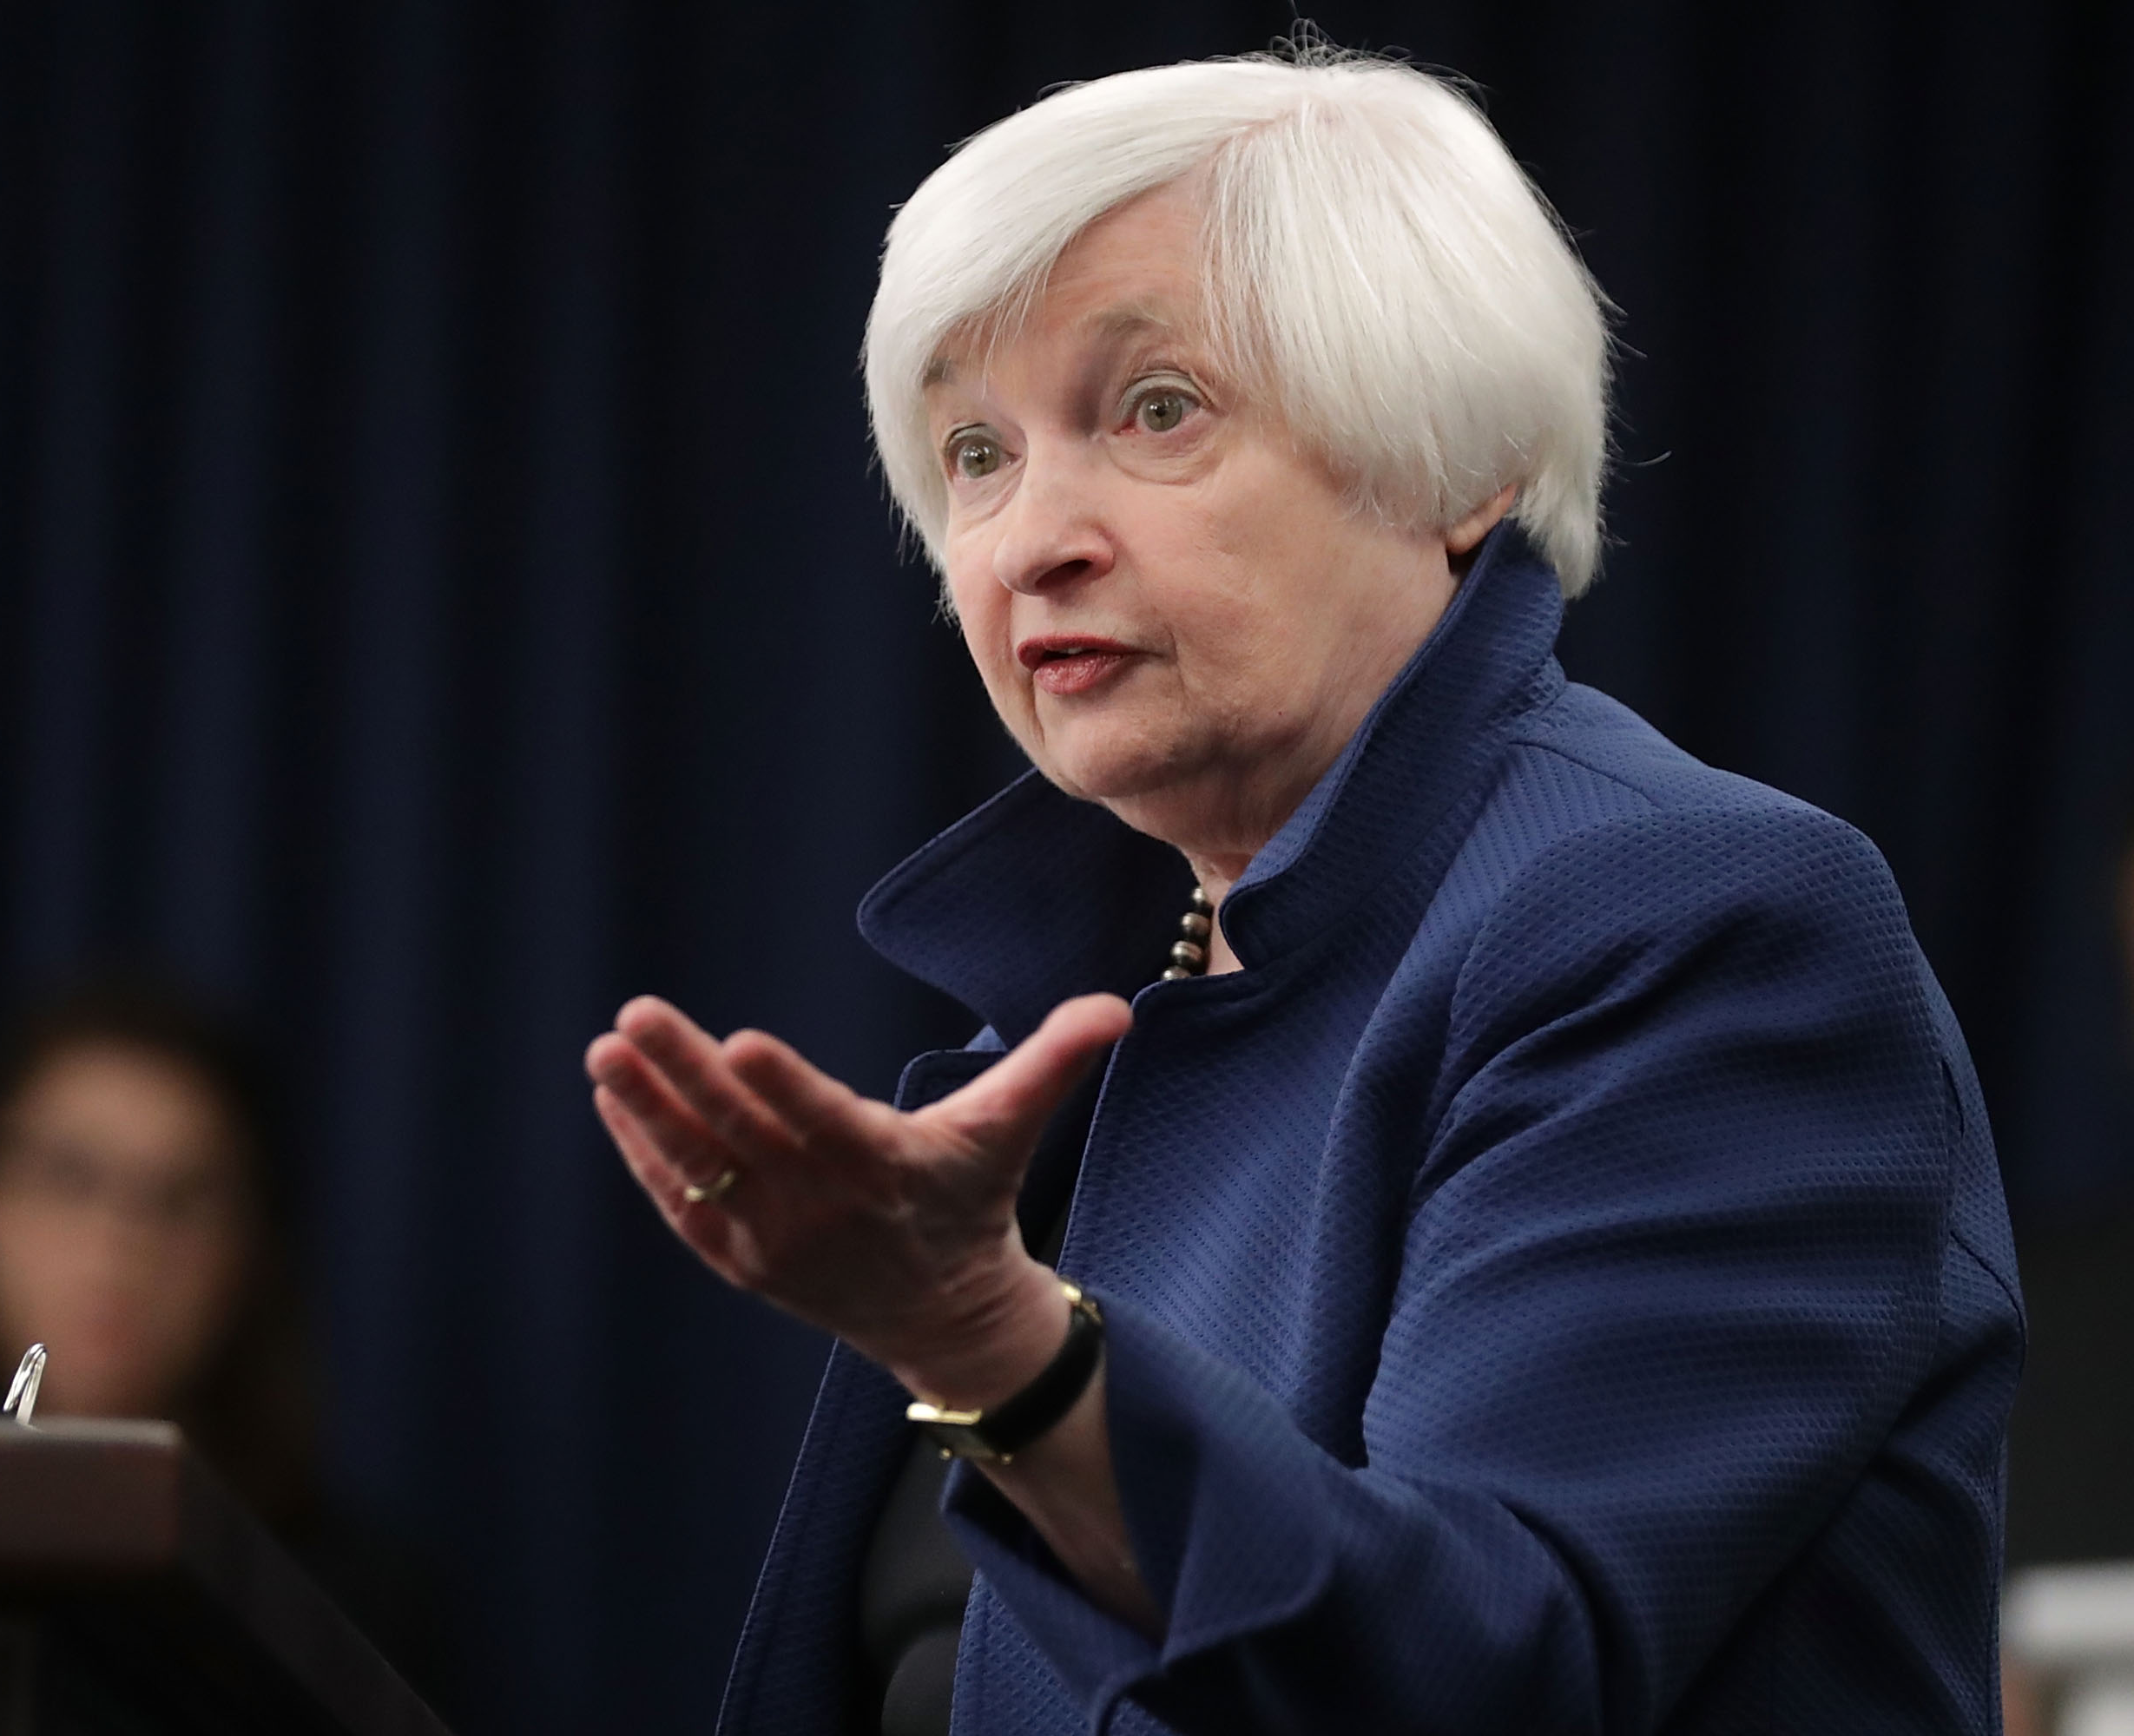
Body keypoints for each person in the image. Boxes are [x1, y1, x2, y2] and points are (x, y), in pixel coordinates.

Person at [583, 48, 2019, 1736]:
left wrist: (999, 1351)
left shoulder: (1692, 924)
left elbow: (1482, 1671)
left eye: (1156, 410)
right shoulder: (1059, 1034)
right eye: (973, 449)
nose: (1029, 535)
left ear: (1457, 461)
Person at [0, 982, 451, 1706]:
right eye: (71, 1176)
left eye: (185, 1197)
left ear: (251, 1256)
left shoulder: (349, 1613)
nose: (123, 1242)